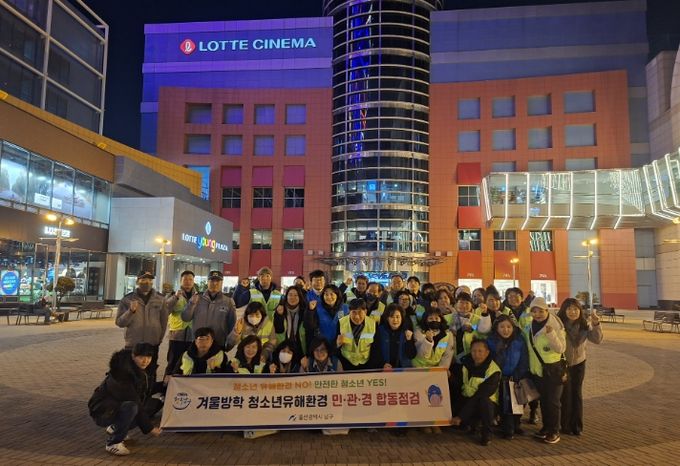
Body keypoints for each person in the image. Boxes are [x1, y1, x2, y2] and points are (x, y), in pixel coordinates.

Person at [88, 343, 163, 456]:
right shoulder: (121, 375)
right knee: (132, 407)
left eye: (148, 357)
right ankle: (113, 443)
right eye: (141, 357)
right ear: (133, 356)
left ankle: (115, 428)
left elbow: (147, 389)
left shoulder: (139, 370)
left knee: (150, 406)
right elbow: (134, 400)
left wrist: (166, 384)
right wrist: (150, 428)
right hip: (102, 411)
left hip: (114, 407)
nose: (145, 361)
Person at [523, 296, 566, 444]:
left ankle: (554, 431)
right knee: (544, 401)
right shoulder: (529, 326)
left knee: (553, 402)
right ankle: (546, 428)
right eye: (534, 311)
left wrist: (551, 334)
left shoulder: (555, 325)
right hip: (538, 371)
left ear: (547, 310)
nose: (537, 314)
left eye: (541, 311)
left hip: (553, 370)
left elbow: (561, 348)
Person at [557, 298, 603, 436]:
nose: (572, 312)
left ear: (580, 311)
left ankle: (576, 426)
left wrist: (596, 324)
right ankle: (565, 425)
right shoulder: (559, 325)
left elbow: (597, 339)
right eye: (569, 309)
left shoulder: (584, 325)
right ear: (564, 310)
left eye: (575, 309)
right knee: (565, 395)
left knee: (576, 394)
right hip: (563, 364)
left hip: (579, 364)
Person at [115, 271, 169, 380]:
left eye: (149, 280)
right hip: (133, 344)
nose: (147, 283)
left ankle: (149, 390)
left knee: (150, 373)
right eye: (144, 280)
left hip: (152, 343)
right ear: (137, 281)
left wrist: (159, 339)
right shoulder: (127, 299)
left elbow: (164, 321)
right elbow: (120, 322)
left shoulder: (160, 299)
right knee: (131, 374)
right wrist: (130, 311)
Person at [450, 339, 502, 446]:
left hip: (486, 404)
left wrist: (461, 416)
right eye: (474, 351)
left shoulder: (493, 370)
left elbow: (480, 395)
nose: (476, 354)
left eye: (480, 351)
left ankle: (486, 433)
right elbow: (460, 384)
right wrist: (450, 377)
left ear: (487, 352)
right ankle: (471, 425)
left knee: (484, 402)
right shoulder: (466, 364)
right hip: (468, 398)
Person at [487, 315, 529, 439]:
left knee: (519, 402)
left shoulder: (519, 340)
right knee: (504, 403)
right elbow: (489, 360)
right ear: (496, 328)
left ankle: (516, 424)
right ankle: (507, 428)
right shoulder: (491, 341)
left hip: (516, 377)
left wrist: (518, 374)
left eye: (509, 327)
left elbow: (524, 359)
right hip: (499, 378)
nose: (506, 330)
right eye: (502, 327)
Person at [181, 270, 236, 350]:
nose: (215, 283)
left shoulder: (228, 302)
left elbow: (232, 325)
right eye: (212, 280)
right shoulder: (197, 298)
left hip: (218, 343)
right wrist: (191, 304)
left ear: (222, 282)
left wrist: (230, 344)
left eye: (218, 281)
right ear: (207, 282)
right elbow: (185, 318)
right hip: (198, 342)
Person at [163, 270, 195, 379]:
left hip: (192, 336)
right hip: (176, 336)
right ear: (180, 281)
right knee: (172, 363)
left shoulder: (198, 296)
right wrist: (175, 297)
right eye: (185, 279)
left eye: (190, 279)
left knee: (189, 364)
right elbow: (165, 309)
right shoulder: (173, 294)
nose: (188, 282)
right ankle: (166, 386)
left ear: (193, 281)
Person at [336, 298, 380, 371]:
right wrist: (337, 344)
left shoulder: (373, 324)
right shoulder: (341, 323)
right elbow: (336, 346)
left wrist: (372, 367)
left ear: (365, 311)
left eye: (360, 312)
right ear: (349, 311)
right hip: (346, 363)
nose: (357, 316)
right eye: (353, 312)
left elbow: (376, 348)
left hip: (367, 364)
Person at [412, 307, 455, 375]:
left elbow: (447, 355)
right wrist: (428, 341)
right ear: (426, 319)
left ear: (441, 319)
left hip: (437, 368)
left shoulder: (447, 334)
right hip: (419, 368)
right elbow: (422, 355)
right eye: (430, 318)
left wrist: (442, 370)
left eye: (437, 318)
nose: (434, 320)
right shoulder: (419, 332)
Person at [273, 285, 311, 357]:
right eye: (290, 295)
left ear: (300, 297)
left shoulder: (304, 311)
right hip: (283, 347)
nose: (292, 298)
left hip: (300, 347)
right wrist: (279, 315)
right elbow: (278, 330)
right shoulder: (280, 309)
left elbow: (309, 330)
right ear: (286, 296)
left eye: (296, 295)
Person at [376, 304, 416, 369]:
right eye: (392, 317)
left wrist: (409, 341)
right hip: (385, 370)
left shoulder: (407, 331)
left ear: (402, 318)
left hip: (403, 370)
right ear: (387, 318)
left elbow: (411, 355)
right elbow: (375, 351)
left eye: (397, 317)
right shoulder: (380, 331)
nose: (395, 320)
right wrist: (382, 364)